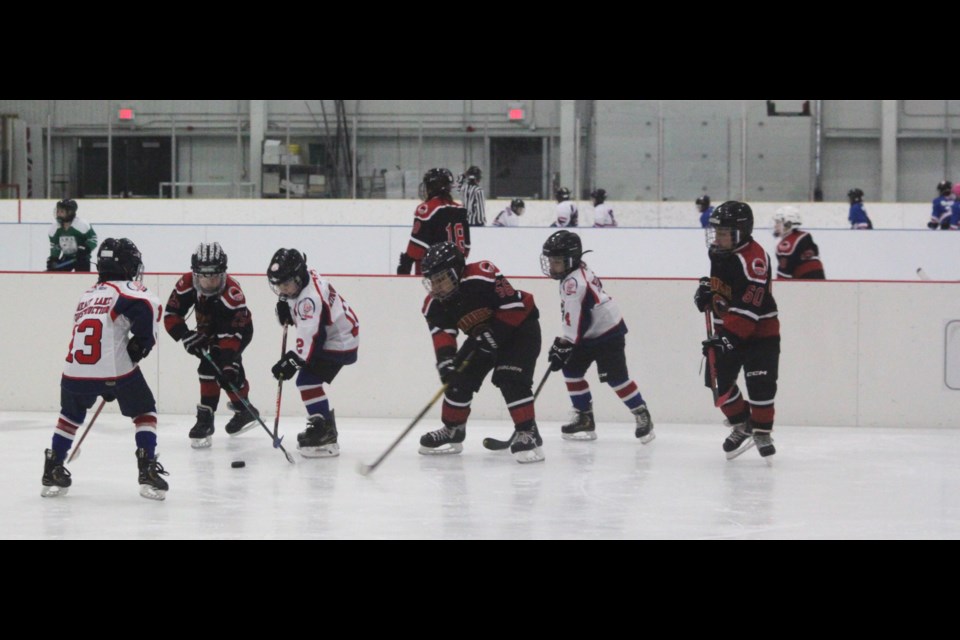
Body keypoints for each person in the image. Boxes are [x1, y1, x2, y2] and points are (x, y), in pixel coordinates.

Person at [41, 238, 169, 500]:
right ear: (127, 266)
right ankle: (146, 468)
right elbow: (150, 306)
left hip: (74, 371)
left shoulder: (87, 294)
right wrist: (141, 344)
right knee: (145, 411)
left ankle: (53, 467)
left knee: (70, 416)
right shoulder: (127, 289)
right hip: (114, 370)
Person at [418, 241, 544, 463]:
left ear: (456, 271)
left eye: (441, 279)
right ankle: (453, 430)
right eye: (432, 281)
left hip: (520, 330)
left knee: (510, 378)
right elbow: (443, 334)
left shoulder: (481, 275)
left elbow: (515, 305)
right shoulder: (434, 304)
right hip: (482, 337)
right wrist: (446, 361)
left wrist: (495, 333)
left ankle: (528, 432)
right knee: (457, 378)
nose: (436, 287)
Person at [540, 230, 653, 443]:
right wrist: (565, 345)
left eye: (556, 261)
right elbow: (576, 320)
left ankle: (641, 414)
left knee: (617, 378)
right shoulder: (573, 272)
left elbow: (574, 321)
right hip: (588, 331)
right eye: (551, 260)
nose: (552, 266)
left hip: (607, 333)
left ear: (571, 259)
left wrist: (564, 345)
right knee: (571, 370)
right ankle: (584, 418)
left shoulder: (575, 283)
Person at [694, 201, 780, 460]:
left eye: (724, 233)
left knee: (760, 384)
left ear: (741, 232)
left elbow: (749, 306)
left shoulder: (754, 261)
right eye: (716, 232)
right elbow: (725, 290)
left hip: (760, 333)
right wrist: (707, 295)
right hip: (728, 329)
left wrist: (727, 339)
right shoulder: (719, 252)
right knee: (718, 381)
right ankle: (743, 424)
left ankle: (763, 432)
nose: (718, 238)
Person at [163, 242, 259, 448]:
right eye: (203, 275)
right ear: (195, 273)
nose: (209, 281)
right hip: (206, 329)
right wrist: (185, 335)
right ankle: (245, 409)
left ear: (223, 272)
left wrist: (228, 363)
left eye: (214, 275)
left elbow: (230, 336)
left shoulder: (232, 295)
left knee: (219, 370)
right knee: (220, 371)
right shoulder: (186, 283)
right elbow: (171, 315)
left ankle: (206, 419)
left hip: (238, 331)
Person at [268, 248, 359, 458]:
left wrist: (291, 363)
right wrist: (286, 309)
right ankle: (324, 426)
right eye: (278, 284)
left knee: (307, 380)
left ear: (299, 277)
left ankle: (325, 432)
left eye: (286, 283)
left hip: (339, 342)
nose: (282, 288)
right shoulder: (303, 282)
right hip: (335, 333)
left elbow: (310, 340)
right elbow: (299, 310)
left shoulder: (310, 299)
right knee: (307, 380)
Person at [397, 168, 471, 275]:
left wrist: (406, 262)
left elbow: (416, 250)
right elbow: (466, 249)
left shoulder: (428, 209)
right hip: (457, 273)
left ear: (432, 187)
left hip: (432, 275)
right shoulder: (461, 210)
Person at [772, 206, 825, 279]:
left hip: (802, 285)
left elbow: (783, 277)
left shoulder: (786, 245)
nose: (775, 226)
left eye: (778, 222)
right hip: (821, 281)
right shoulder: (806, 236)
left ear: (788, 225)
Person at [46, 199, 97, 272]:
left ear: (70, 212)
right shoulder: (55, 228)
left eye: (62, 211)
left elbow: (93, 239)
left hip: (81, 259)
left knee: (82, 279)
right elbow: (55, 245)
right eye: (58, 211)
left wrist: (85, 249)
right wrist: (54, 258)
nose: (58, 214)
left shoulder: (82, 225)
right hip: (67, 258)